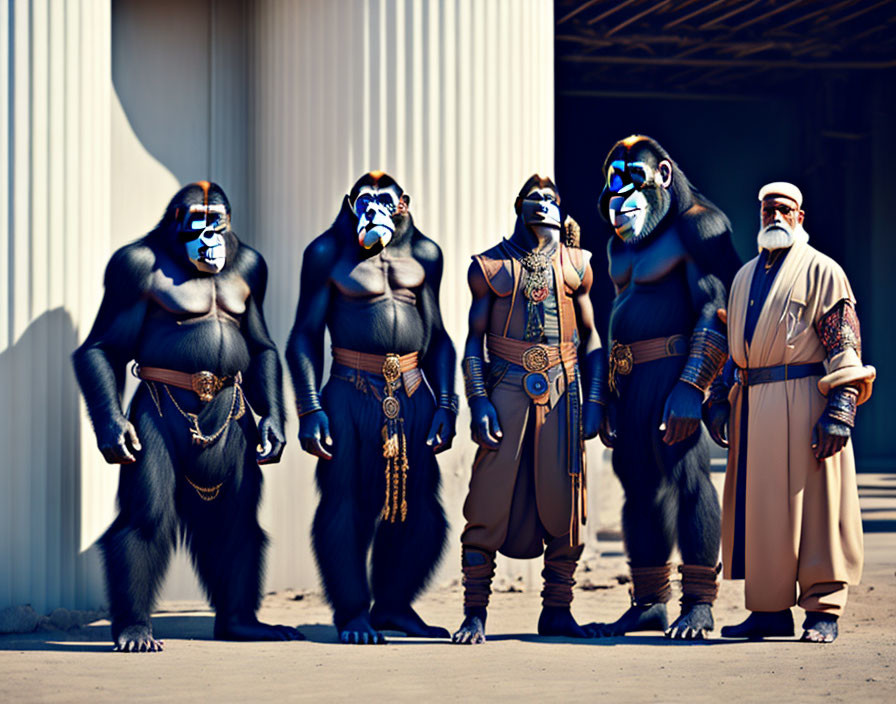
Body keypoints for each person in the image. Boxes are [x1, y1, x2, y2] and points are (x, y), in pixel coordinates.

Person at [286, 172, 457, 644]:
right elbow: (303, 335)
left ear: (403, 203)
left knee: (420, 512)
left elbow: (438, 336)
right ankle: (352, 612)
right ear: (349, 204)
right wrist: (309, 408)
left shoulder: (425, 254)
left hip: (412, 391)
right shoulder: (326, 253)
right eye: (365, 200)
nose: (374, 208)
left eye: (384, 200)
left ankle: (395, 606)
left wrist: (448, 402)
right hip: (348, 391)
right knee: (345, 508)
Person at [705, 182, 875, 643]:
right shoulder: (742, 278)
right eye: (767, 209)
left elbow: (845, 341)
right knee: (764, 514)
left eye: (784, 209)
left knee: (818, 507)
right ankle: (770, 610)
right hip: (753, 403)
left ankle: (824, 610)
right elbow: (735, 346)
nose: (775, 216)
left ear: (801, 216)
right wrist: (720, 396)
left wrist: (841, 408)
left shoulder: (824, 271)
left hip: (806, 399)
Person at [451, 175, 604, 644]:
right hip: (506, 387)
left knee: (565, 500)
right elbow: (473, 345)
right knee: (488, 498)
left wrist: (596, 399)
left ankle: (558, 610)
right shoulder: (489, 266)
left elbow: (592, 337)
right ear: (518, 206)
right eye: (533, 198)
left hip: (564, 389)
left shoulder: (578, 264)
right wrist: (478, 402)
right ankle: (474, 613)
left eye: (551, 199)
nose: (541, 204)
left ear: (561, 210)